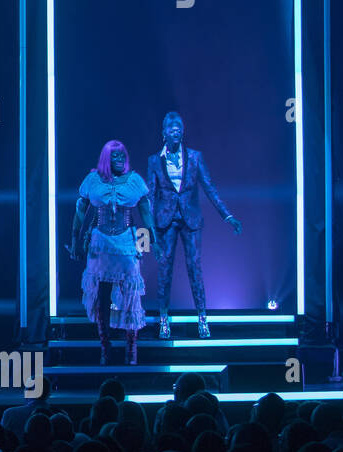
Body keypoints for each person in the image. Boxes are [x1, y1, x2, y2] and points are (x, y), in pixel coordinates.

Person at [145, 111, 241, 339]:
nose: (175, 131)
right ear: (164, 133)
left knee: (195, 268)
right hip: (165, 221)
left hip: (191, 219)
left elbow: (209, 188)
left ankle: (202, 319)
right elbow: (150, 195)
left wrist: (227, 216)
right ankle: (164, 320)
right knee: (165, 271)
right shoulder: (154, 161)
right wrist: (149, 230)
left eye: (179, 127)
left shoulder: (195, 157)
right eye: (171, 128)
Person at [69, 141, 157, 365]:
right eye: (115, 156)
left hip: (126, 239)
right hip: (100, 241)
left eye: (122, 156)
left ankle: (131, 348)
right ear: (106, 158)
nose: (120, 159)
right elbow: (81, 210)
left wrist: (150, 241)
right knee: (101, 294)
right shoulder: (93, 180)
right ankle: (105, 347)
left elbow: (145, 211)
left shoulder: (134, 181)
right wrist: (75, 240)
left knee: (130, 292)